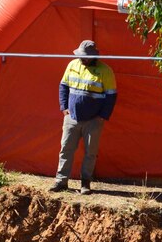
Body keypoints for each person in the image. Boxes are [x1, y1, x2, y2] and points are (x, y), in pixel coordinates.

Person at [49, 40, 118, 195]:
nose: (82, 59)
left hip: (94, 120)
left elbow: (111, 97)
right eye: (80, 56)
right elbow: (63, 86)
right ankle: (61, 182)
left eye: (85, 56)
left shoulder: (105, 71)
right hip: (71, 117)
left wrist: (102, 116)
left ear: (94, 56)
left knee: (90, 153)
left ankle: (85, 184)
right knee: (66, 149)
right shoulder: (72, 65)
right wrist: (64, 108)